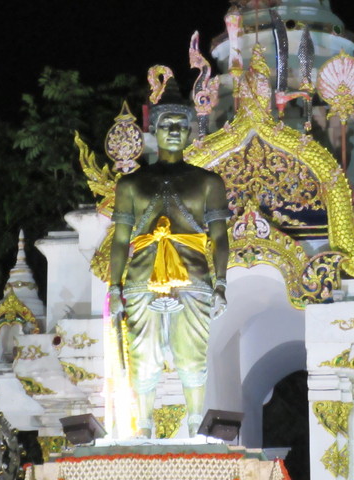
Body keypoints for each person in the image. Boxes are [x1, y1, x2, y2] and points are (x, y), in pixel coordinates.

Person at [108, 89, 229, 438]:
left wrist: (221, 283)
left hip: (193, 277)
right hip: (142, 278)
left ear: (190, 131)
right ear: (154, 130)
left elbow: (220, 237)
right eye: (166, 124)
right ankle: (144, 428)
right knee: (143, 359)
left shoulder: (208, 182)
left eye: (180, 124)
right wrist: (114, 288)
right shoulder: (131, 184)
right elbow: (120, 239)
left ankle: (195, 429)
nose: (174, 130)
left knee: (191, 357)